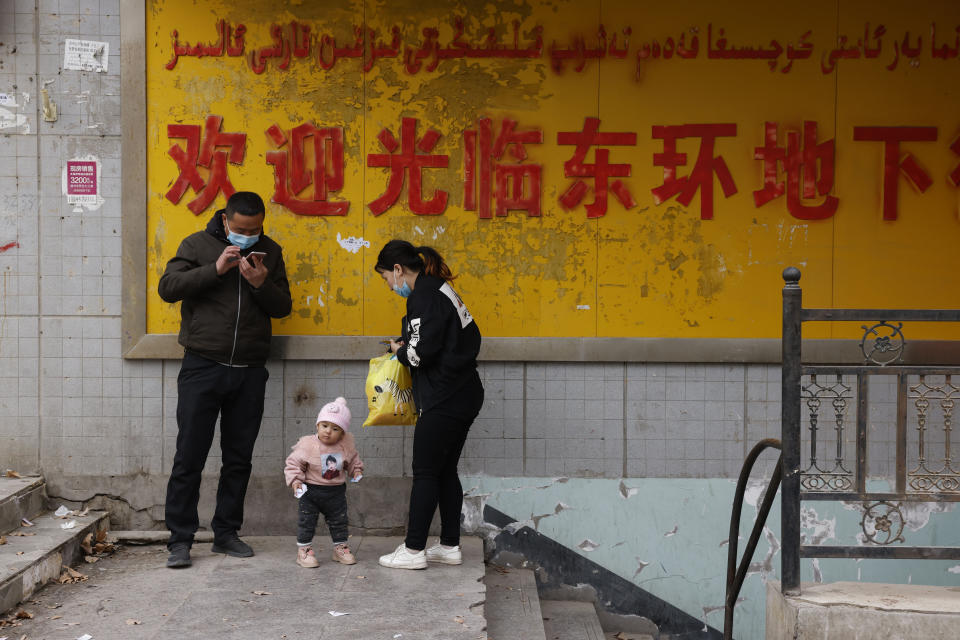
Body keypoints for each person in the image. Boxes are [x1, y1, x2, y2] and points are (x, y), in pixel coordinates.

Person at [158, 191, 292, 568]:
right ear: (226, 219)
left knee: (239, 459)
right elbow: (168, 288)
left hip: (249, 371)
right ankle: (180, 540)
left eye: (255, 228)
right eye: (241, 228)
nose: (248, 234)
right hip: (203, 365)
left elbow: (283, 307)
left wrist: (261, 282)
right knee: (189, 456)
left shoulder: (271, 250)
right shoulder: (197, 244)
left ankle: (226, 534)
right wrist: (215, 269)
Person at [374, 240, 484, 570]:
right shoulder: (441, 289)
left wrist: (399, 350)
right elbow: (459, 337)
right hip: (464, 392)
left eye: (385, 278)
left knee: (425, 473)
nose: (389, 285)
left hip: (444, 397)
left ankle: (413, 550)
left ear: (397, 269)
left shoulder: (424, 295)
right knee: (445, 470)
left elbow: (421, 354)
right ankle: (449, 545)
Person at [284, 397, 364, 567]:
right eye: (325, 425)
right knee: (307, 522)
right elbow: (294, 463)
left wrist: (356, 470)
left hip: (336, 493)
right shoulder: (307, 445)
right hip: (310, 492)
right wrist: (296, 481)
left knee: (339, 521)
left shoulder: (345, 446)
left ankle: (340, 548)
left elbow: (353, 461)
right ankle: (304, 551)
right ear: (317, 426)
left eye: (335, 428)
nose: (328, 431)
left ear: (342, 433)